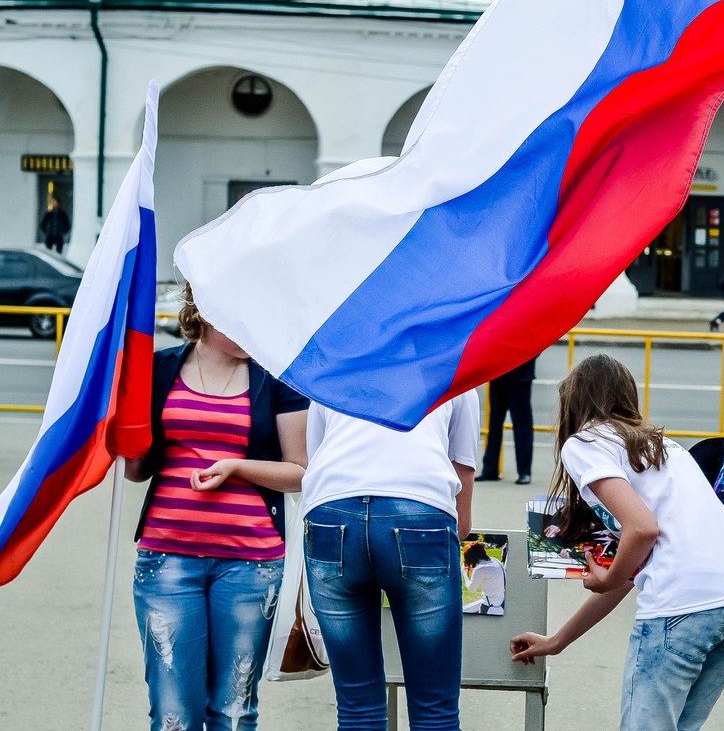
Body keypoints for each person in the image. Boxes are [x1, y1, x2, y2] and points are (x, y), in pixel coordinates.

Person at [508, 354, 724, 731]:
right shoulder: (665, 448)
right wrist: (558, 640)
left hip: (682, 604)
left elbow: (642, 529)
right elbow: (632, 571)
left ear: (573, 403)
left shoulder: (585, 443)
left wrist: (606, 578)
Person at [125, 284, 308, 730]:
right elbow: (135, 470)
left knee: (234, 709)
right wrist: (119, 423)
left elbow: (301, 471)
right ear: (206, 310)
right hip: (166, 557)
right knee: (172, 714)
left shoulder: (278, 379)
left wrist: (237, 467)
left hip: (251, 563)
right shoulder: (159, 369)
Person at [302, 390, 478, 731]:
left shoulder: (336, 356)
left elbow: (318, 457)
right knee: (435, 710)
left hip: (332, 512)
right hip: (419, 511)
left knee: (357, 709)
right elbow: (463, 475)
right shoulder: (455, 356)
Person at [477, 356, 537, 485]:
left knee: (522, 427)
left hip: (521, 375)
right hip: (499, 373)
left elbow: (539, 342)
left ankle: (524, 471)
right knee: (494, 425)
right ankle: (490, 469)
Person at [462, 542, 506, 615]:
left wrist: (464, 574)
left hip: (489, 607)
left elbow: (471, 589)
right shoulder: (495, 560)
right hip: (500, 603)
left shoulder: (480, 569)